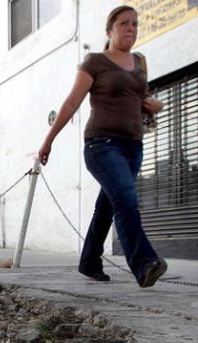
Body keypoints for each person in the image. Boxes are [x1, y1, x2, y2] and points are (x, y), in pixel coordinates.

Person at [38, 5, 167, 288]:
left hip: (133, 147)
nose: (131, 28)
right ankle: (144, 264)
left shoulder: (139, 63)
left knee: (108, 207)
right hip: (101, 145)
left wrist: (154, 105)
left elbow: (143, 100)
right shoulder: (95, 62)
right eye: (124, 23)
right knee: (126, 200)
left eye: (135, 23)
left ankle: (89, 261)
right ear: (109, 31)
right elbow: (71, 102)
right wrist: (48, 142)